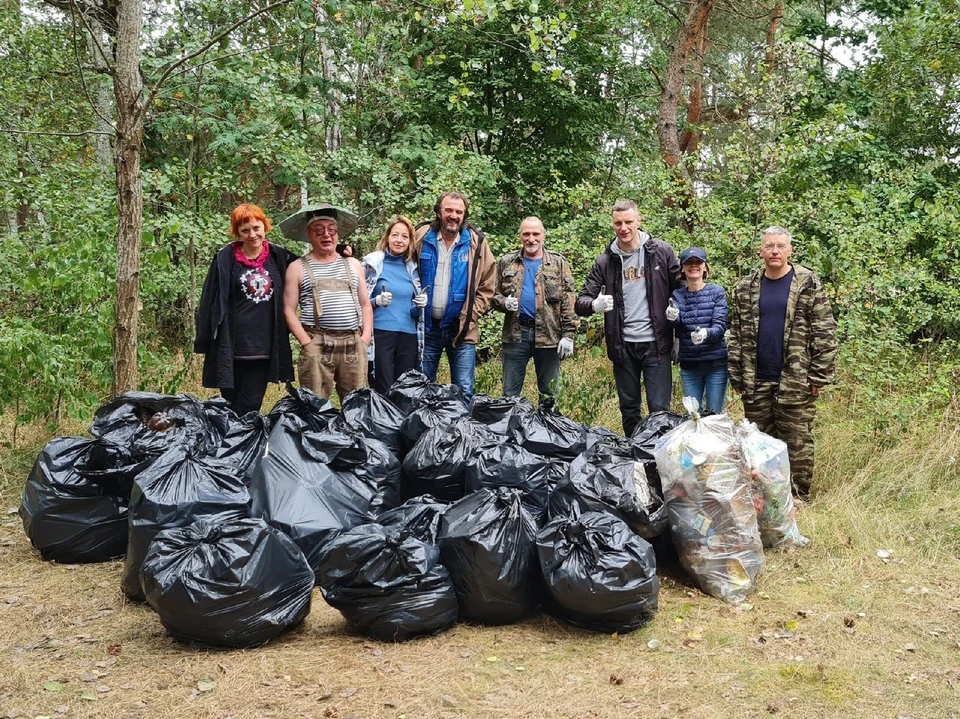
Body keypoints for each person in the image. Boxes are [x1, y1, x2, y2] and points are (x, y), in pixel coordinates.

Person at [728, 226, 838, 497]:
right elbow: (737, 333)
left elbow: (824, 329)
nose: (774, 251)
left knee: (796, 441)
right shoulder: (745, 288)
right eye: (769, 246)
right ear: (761, 251)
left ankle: (798, 495)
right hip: (756, 379)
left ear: (790, 250)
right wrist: (737, 374)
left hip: (796, 378)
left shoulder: (807, 283)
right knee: (758, 442)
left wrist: (819, 374)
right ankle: (766, 496)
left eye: (780, 246)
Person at [576, 199, 680, 436]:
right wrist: (594, 305)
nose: (624, 227)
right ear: (612, 224)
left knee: (659, 410)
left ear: (638, 221)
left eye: (628, 222)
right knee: (630, 409)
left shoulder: (661, 252)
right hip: (622, 346)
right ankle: (635, 461)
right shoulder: (605, 261)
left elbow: (681, 287)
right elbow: (580, 303)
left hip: (657, 344)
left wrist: (678, 314)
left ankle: (658, 462)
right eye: (618, 223)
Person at [194, 204, 297, 416]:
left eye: (256, 228)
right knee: (229, 403)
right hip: (230, 345)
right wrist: (203, 339)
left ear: (265, 226)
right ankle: (232, 444)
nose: (252, 235)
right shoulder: (225, 257)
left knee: (250, 404)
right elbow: (208, 299)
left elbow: (311, 264)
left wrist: (342, 251)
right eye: (245, 230)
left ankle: (237, 441)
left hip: (263, 346)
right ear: (237, 232)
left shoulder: (279, 256)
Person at [283, 208, 373, 400]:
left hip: (353, 344)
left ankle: (352, 432)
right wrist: (306, 342)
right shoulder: (297, 268)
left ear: (338, 233)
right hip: (317, 343)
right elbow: (288, 310)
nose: (326, 235)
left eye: (331, 229)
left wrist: (365, 338)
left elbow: (365, 304)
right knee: (314, 406)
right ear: (309, 234)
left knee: (356, 407)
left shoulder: (353, 264)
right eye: (319, 230)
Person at [415, 191, 496, 402]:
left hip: (462, 330)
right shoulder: (421, 236)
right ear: (438, 212)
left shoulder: (476, 242)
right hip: (427, 328)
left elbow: (488, 284)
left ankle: (462, 434)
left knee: (464, 390)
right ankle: (425, 432)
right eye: (448, 210)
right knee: (422, 388)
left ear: (464, 215)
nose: (454, 215)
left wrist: (472, 314)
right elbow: (398, 260)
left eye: (459, 212)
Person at [492, 216, 578, 403]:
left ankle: (549, 429)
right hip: (515, 335)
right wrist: (504, 302)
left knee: (549, 396)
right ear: (520, 236)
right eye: (526, 234)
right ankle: (510, 430)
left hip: (549, 336)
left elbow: (568, 300)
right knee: (509, 396)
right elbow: (493, 295)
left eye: (535, 234)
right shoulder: (507, 261)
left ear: (543, 236)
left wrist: (569, 335)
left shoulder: (558, 263)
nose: (531, 238)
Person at [361, 216, 429, 395]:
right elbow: (357, 302)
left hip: (409, 336)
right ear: (387, 237)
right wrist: (376, 301)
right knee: (383, 386)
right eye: (395, 235)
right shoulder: (372, 265)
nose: (399, 240)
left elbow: (413, 313)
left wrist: (419, 306)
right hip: (381, 335)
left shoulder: (413, 268)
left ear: (410, 241)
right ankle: (383, 422)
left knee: (405, 389)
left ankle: (403, 423)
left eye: (404, 237)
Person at [665, 247, 729, 414]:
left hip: (716, 364)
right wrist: (672, 317)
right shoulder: (677, 295)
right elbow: (676, 324)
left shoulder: (717, 292)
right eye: (689, 263)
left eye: (698, 262)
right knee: (693, 415)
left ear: (705, 267)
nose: (694, 266)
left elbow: (720, 326)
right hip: (690, 365)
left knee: (714, 415)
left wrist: (706, 334)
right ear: (682, 268)